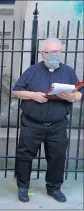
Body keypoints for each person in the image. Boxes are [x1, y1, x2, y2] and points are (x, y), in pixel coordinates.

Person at [12, 37, 84, 203]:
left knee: (57, 157)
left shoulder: (68, 71)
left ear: (62, 53)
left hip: (57, 125)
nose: (54, 55)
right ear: (42, 54)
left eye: (57, 52)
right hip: (32, 124)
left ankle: (54, 188)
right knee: (24, 156)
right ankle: (23, 187)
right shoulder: (32, 71)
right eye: (50, 52)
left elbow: (80, 92)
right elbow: (16, 90)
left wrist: (73, 96)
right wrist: (33, 95)